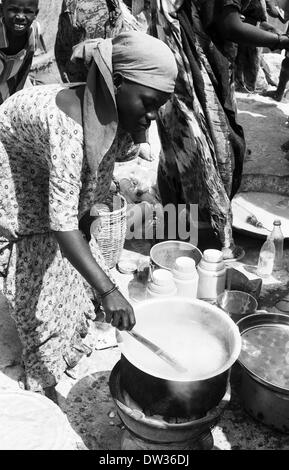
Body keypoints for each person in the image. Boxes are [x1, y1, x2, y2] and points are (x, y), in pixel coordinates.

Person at [0, 30, 177, 400]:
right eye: (148, 102)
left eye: (159, 105)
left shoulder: (108, 110)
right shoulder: (67, 126)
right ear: (117, 83)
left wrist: (86, 250)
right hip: (14, 167)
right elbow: (63, 225)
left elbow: (86, 195)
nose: (153, 115)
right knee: (38, 264)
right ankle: (44, 370)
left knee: (74, 261)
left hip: (42, 160)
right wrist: (109, 290)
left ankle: (66, 336)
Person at [145, 0, 289, 259]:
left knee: (178, 152)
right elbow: (228, 24)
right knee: (213, 154)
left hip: (175, 67)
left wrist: (264, 29)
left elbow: (217, 17)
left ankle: (174, 235)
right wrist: (280, 41)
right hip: (194, 74)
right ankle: (208, 245)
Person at [0, 0, 43, 104]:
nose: (20, 16)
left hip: (9, 81)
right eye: (13, 10)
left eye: (28, 11)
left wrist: (15, 98)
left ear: (35, 14)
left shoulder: (34, 31)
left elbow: (26, 64)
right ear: (1, 10)